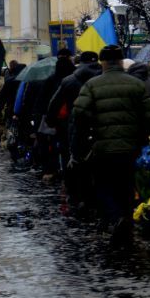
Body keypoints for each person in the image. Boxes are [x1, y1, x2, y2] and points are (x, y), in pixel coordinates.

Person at [71, 45, 150, 244]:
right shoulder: (136, 84)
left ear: (102, 63)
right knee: (127, 185)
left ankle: (116, 217)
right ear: (121, 62)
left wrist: (81, 143)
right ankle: (126, 220)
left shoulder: (91, 85)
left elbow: (78, 115)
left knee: (104, 185)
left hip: (102, 147)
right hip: (131, 147)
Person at [50, 51, 102, 207]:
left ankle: (77, 196)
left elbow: (54, 105)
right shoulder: (104, 78)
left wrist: (52, 122)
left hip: (74, 128)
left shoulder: (69, 81)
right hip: (101, 129)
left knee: (73, 160)